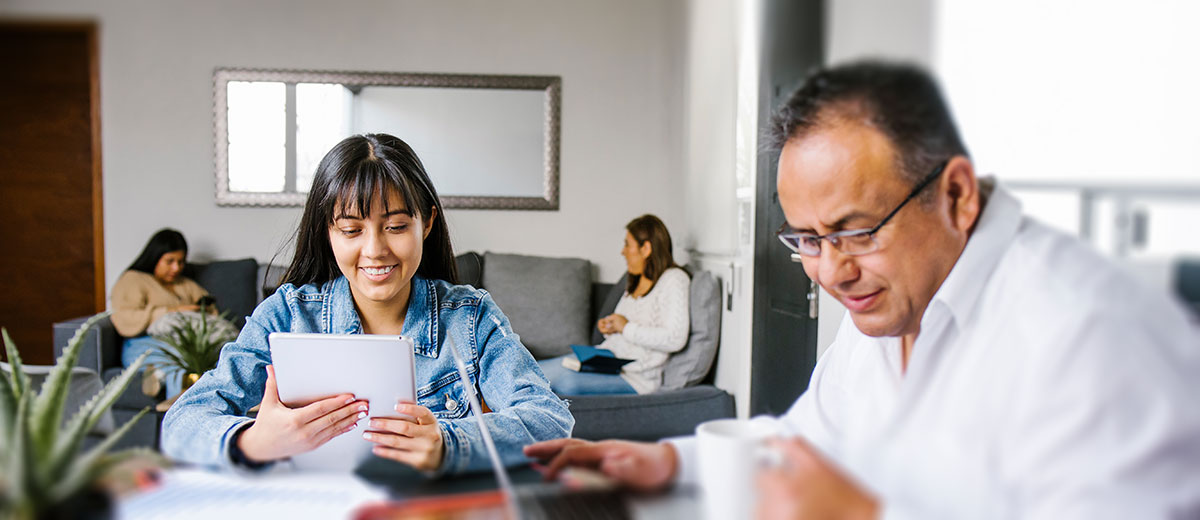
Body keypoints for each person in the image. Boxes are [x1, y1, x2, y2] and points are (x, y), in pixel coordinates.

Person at [525, 61, 1200, 518]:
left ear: (957, 195)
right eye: (807, 240)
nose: (829, 271)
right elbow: (807, 441)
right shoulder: (889, 310)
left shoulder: (1091, 332)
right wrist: (667, 459)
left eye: (854, 230)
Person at [162, 134, 573, 473]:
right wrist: (250, 442)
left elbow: (550, 421)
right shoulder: (287, 314)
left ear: (426, 223)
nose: (375, 250)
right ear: (328, 231)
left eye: (395, 226)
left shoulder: (469, 317)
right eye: (351, 229)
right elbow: (181, 422)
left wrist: (449, 443)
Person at [538, 215, 690, 395]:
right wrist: (610, 327)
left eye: (627, 244)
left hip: (635, 378)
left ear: (646, 248)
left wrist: (625, 327)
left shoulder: (674, 280)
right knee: (533, 370)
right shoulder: (635, 280)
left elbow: (675, 338)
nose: (622, 251)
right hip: (605, 360)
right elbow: (621, 325)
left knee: (561, 383)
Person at [110, 228, 212, 398]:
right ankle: (175, 399)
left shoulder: (184, 284)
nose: (176, 268)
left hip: (182, 342)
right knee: (178, 362)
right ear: (155, 257)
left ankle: (159, 377)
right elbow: (124, 317)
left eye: (180, 262)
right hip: (144, 342)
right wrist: (172, 312)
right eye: (169, 261)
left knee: (202, 358)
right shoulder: (133, 279)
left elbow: (208, 307)